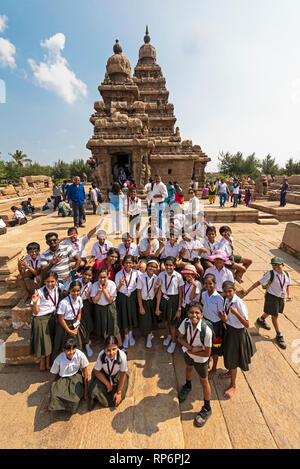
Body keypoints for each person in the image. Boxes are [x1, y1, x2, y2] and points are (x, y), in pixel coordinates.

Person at [242, 257, 291, 349]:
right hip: (272, 297)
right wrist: (248, 290)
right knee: (274, 316)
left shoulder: (287, 275)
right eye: (273, 264)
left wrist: (289, 295)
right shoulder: (270, 274)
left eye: (277, 264)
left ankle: (261, 319)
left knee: (270, 311)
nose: (275, 266)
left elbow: (288, 285)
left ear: (283, 265)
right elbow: (258, 283)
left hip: (281, 297)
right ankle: (279, 335)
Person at [177, 302, 213, 427]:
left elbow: (207, 354)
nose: (194, 315)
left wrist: (195, 351)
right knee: (189, 368)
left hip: (201, 360)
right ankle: (187, 385)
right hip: (190, 353)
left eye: (197, 313)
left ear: (202, 315)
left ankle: (207, 407)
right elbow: (179, 338)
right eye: (191, 312)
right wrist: (191, 348)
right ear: (187, 314)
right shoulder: (186, 323)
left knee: (204, 381)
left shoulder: (206, 331)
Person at [219, 281, 256, 399]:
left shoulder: (239, 303)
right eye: (225, 291)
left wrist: (236, 313)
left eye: (230, 291)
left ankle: (233, 385)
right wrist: (224, 318)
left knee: (233, 358)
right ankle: (230, 372)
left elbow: (246, 324)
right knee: (229, 355)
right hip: (229, 330)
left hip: (237, 334)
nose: (228, 293)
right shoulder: (226, 300)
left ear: (234, 291)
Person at [49, 337, 89, 413]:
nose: (71, 352)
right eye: (68, 350)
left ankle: (69, 406)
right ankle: (61, 406)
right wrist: (52, 386)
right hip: (63, 378)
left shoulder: (80, 355)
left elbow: (86, 373)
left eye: (73, 349)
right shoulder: (59, 359)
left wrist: (86, 392)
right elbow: (54, 374)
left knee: (75, 398)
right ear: (63, 350)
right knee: (55, 394)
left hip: (76, 376)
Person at [89, 335, 129, 410]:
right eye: (108, 350)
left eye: (114, 349)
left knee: (116, 400)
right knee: (93, 391)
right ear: (104, 350)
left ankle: (102, 397)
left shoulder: (122, 357)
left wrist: (119, 393)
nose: (111, 353)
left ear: (117, 348)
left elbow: (123, 374)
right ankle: (101, 395)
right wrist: (107, 384)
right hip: (104, 375)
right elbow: (97, 371)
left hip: (117, 376)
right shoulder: (101, 355)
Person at [30, 271, 59, 371]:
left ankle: (47, 363)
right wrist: (34, 303)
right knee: (44, 343)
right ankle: (43, 363)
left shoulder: (58, 288)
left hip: (51, 318)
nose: (50, 284)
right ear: (44, 282)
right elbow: (36, 311)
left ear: (56, 281)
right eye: (47, 282)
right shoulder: (39, 292)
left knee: (49, 342)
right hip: (41, 320)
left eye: (52, 281)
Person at [155, 256, 184, 354]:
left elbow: (180, 294)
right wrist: (158, 307)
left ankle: (173, 341)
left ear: (174, 266)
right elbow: (159, 292)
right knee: (165, 321)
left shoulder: (178, 276)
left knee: (172, 324)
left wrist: (179, 309)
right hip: (164, 299)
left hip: (174, 300)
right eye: (166, 265)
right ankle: (169, 335)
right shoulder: (161, 275)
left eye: (171, 265)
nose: (168, 267)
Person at [90, 268, 123, 346]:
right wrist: (99, 290)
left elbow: (110, 300)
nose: (102, 279)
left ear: (108, 276)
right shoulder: (94, 285)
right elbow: (94, 301)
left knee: (114, 328)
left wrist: (104, 290)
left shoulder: (112, 284)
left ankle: (120, 345)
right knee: (104, 328)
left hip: (110, 308)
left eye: (104, 277)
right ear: (97, 277)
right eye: (100, 277)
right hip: (100, 309)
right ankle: (109, 346)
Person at [53, 280, 87, 354]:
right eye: (73, 291)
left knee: (76, 344)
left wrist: (77, 326)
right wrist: (69, 331)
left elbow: (79, 313)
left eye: (78, 291)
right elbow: (61, 319)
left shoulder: (79, 300)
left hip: (74, 324)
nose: (76, 293)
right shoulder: (64, 302)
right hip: (64, 325)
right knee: (63, 345)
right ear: (69, 290)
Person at [201, 274, 224, 379]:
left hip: (216, 325)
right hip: (206, 322)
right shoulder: (204, 294)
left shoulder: (219, 298)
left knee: (216, 347)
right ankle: (208, 358)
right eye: (206, 283)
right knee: (206, 343)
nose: (208, 285)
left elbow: (221, 314)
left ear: (215, 284)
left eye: (210, 283)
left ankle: (214, 368)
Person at [115, 255, 139, 348]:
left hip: (132, 296)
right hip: (122, 297)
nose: (128, 264)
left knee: (131, 315)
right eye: (126, 262)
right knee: (124, 316)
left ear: (133, 264)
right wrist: (120, 285)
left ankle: (130, 334)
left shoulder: (136, 273)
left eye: (130, 262)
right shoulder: (119, 274)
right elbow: (116, 291)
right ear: (123, 264)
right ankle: (125, 336)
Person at [137, 260, 160, 348]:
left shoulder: (156, 277)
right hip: (143, 301)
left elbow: (155, 292)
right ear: (147, 266)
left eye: (154, 267)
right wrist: (141, 306)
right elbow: (138, 292)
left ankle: (149, 334)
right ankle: (147, 335)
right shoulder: (141, 277)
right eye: (150, 266)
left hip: (151, 301)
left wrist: (157, 288)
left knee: (151, 319)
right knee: (144, 319)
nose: (152, 268)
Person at [77, 267, 94, 357]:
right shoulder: (77, 281)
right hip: (76, 305)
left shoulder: (91, 285)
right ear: (82, 274)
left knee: (87, 325)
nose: (87, 277)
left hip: (86, 306)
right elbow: (66, 292)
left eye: (89, 275)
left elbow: (92, 301)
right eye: (85, 274)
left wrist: (88, 297)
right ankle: (79, 345)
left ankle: (87, 344)